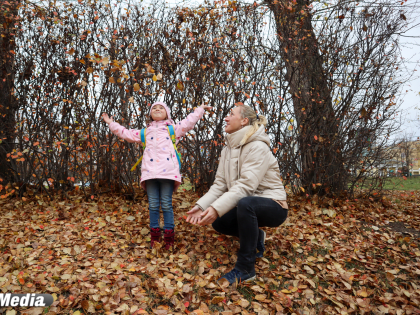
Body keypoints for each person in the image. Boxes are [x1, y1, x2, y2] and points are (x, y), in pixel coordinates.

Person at [186, 104, 288, 284]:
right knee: (219, 221)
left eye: (231, 114)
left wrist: (217, 207)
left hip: (273, 204)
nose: (226, 118)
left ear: (244, 121)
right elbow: (220, 184)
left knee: (245, 203)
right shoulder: (228, 149)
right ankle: (255, 236)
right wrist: (201, 206)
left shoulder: (258, 147)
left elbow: (246, 186)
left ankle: (246, 268)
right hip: (247, 203)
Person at [102, 102, 212, 249]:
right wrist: (111, 123)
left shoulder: (173, 129)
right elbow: (126, 133)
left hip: (168, 174)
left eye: (161, 108)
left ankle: (169, 238)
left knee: (166, 204)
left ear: (167, 113)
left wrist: (201, 109)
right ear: (150, 114)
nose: (157, 109)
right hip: (150, 174)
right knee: (153, 205)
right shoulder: (145, 132)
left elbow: (189, 122)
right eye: (154, 108)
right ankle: (155, 237)